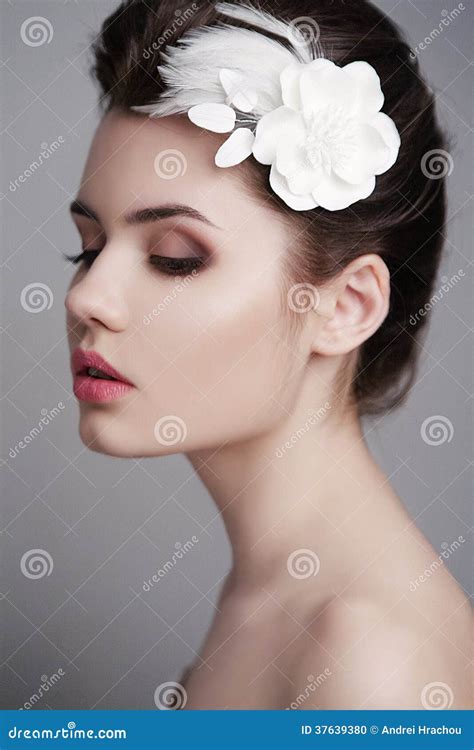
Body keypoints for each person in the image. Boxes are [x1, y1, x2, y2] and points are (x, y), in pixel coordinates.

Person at [64, 0, 471, 709]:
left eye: (175, 259)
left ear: (346, 307)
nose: (87, 299)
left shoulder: (370, 662)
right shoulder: (272, 591)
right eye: (89, 248)